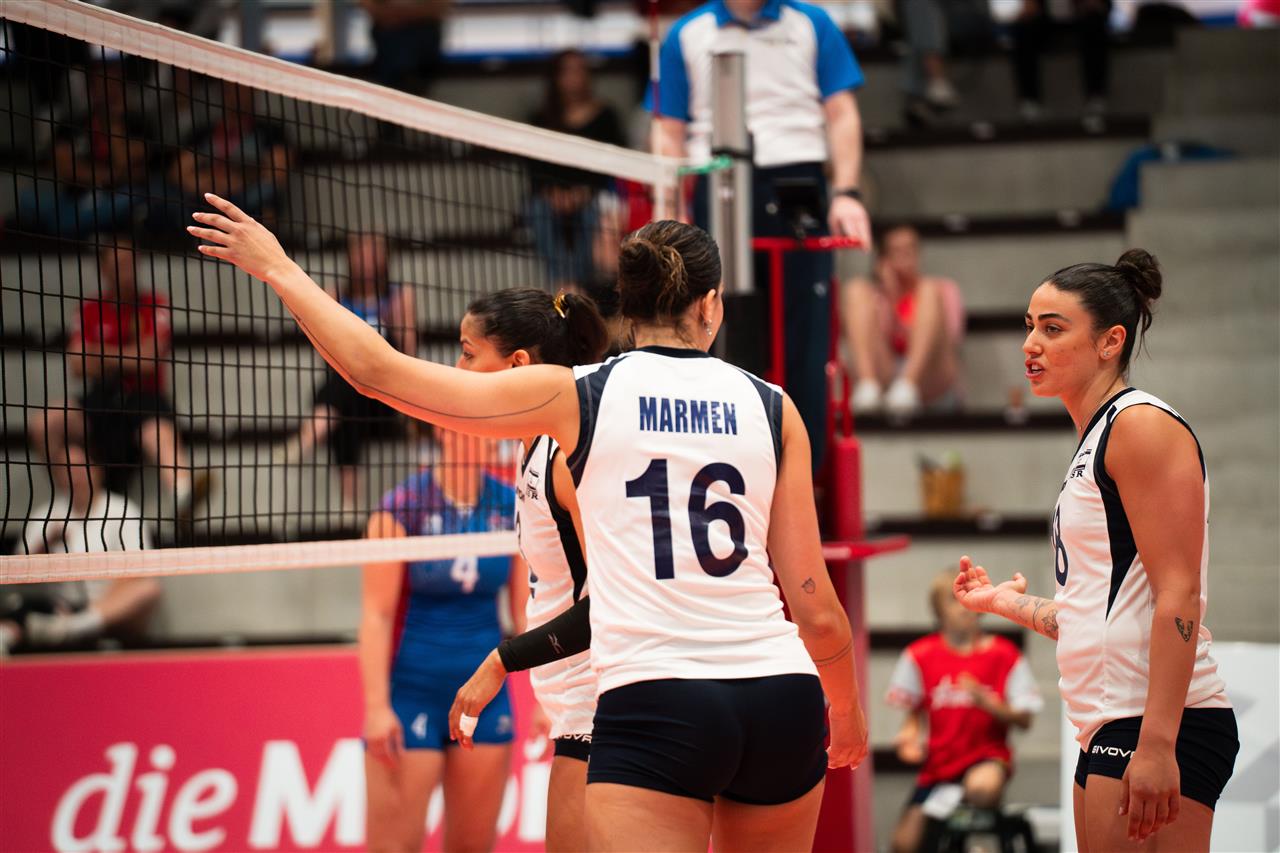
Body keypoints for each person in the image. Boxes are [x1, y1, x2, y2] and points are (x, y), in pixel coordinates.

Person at [189, 197, 868, 853]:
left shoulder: (580, 394)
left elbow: (376, 373)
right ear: (711, 305)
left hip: (659, 698)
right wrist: (843, 709)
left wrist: (280, 268)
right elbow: (814, 607)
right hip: (780, 692)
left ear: (626, 305)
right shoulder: (774, 407)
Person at [953, 249, 1237, 851]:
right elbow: (1094, 618)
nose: (1031, 344)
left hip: (1154, 723)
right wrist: (1000, 602)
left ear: (1110, 342)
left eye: (1053, 329)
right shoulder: (1097, 437)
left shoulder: (1139, 426)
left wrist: (1157, 744)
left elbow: (1180, 594)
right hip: (1107, 721)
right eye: (1030, 325)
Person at [651, 0, 871, 469]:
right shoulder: (686, 34)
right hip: (717, 185)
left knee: (805, 340)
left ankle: (804, 475)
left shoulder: (811, 22)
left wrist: (847, 193)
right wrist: (669, 212)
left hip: (798, 184)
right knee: (720, 334)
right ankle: (727, 466)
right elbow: (669, 131)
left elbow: (842, 113)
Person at [440, 288, 609, 852]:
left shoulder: (563, 455)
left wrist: (502, 661)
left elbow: (610, 602)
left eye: (468, 353)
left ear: (517, 365)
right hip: (576, 701)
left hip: (603, 700)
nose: (456, 369)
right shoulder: (530, 441)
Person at [360, 429, 525, 852]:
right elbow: (376, 615)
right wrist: (376, 708)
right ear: (442, 430)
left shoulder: (513, 504)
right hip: (412, 693)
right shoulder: (402, 507)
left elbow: (525, 614)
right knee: (393, 846)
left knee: (473, 846)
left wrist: (549, 698)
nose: (481, 435)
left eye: (487, 425)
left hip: (485, 698)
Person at [31, 237, 209, 519]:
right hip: (101, 400)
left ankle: (183, 494)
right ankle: (74, 493)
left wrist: (99, 353)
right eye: (116, 265)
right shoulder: (90, 308)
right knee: (46, 422)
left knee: (158, 433)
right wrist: (128, 356)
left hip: (145, 401)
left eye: (128, 264)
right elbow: (77, 364)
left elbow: (148, 360)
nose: (124, 271)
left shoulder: (153, 303)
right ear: (103, 269)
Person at [886, 570, 1041, 853]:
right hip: (940, 765)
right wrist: (908, 738)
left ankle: (965, 833)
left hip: (987, 758)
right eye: (953, 600)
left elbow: (1025, 719)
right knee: (904, 845)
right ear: (937, 609)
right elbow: (913, 715)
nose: (963, 608)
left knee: (981, 789)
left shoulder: (1004, 655)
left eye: (969, 599)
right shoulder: (919, 655)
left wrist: (989, 704)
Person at [277, 232, 416, 510]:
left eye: (374, 253)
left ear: (385, 258)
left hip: (385, 395)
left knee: (345, 395)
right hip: (349, 386)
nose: (367, 259)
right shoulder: (336, 294)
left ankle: (305, 441)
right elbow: (325, 348)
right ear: (350, 256)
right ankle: (350, 505)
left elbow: (408, 353)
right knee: (346, 403)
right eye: (361, 252)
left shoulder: (398, 296)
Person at [1, 441, 160, 654]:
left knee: (147, 589)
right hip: (56, 608)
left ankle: (74, 628)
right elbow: (18, 576)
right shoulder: (45, 516)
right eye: (66, 469)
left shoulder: (123, 511)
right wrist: (47, 545)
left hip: (109, 609)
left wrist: (99, 606)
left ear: (96, 469)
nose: (74, 475)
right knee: (17, 606)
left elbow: (138, 572)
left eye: (80, 467)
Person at [527, 49, 628, 295]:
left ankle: (582, 284)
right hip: (551, 195)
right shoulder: (541, 118)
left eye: (580, 71)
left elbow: (615, 162)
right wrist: (552, 193)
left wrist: (583, 192)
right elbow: (535, 167)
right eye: (567, 71)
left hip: (596, 192)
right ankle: (564, 283)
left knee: (594, 214)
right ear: (555, 78)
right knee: (538, 210)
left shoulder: (605, 115)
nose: (574, 78)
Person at [845, 224, 964, 419]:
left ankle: (908, 384)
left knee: (929, 289)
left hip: (931, 376)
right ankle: (867, 385)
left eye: (910, 250)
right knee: (856, 289)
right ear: (883, 259)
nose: (905, 257)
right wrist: (891, 297)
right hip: (887, 373)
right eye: (897, 251)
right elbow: (879, 343)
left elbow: (950, 338)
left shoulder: (942, 289)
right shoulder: (874, 296)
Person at [1011, 0, 1112, 120]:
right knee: (1023, 30)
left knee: (1094, 23)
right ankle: (1030, 100)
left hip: (1080, 16)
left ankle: (1096, 96)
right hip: (1046, 19)